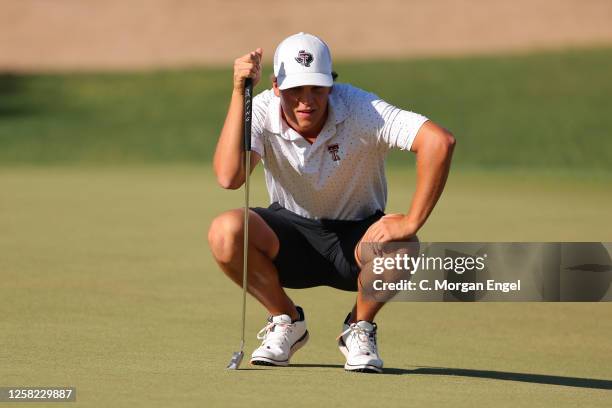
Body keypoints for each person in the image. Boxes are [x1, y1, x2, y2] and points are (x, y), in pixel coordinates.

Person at [208, 32, 455, 373]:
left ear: (331, 86)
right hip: (289, 237)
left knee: (404, 244)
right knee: (225, 232)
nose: (306, 100)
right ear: (277, 86)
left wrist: (412, 220)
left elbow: (439, 142)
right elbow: (229, 177)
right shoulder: (262, 108)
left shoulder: (361, 109)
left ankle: (360, 327)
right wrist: (240, 94)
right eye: (295, 89)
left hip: (358, 241)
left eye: (316, 88)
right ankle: (287, 320)